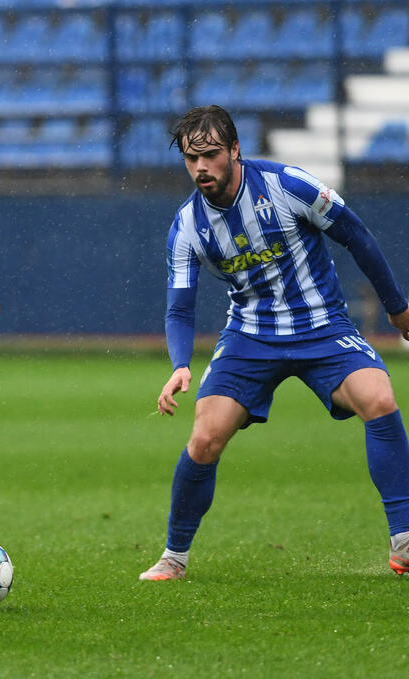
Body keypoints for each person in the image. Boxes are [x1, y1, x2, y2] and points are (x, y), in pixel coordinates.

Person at [139, 105, 409, 581]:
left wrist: (397, 307)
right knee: (204, 439)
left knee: (380, 399)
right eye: (190, 158)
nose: (200, 167)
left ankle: (405, 539)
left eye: (211, 155)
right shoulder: (186, 225)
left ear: (235, 150)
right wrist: (180, 364)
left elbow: (357, 236)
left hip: (323, 327)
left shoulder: (289, 185)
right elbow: (180, 309)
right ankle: (173, 557)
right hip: (249, 337)